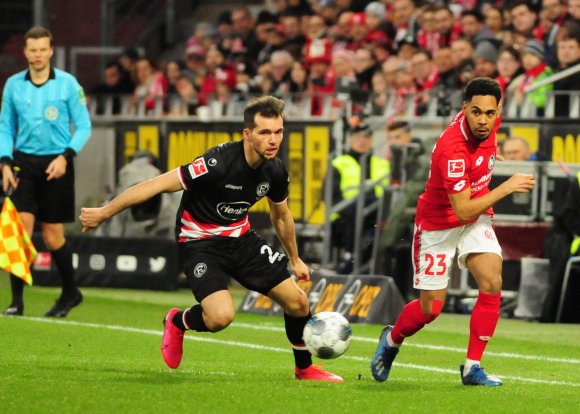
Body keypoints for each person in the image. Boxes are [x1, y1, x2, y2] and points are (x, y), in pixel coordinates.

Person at [79, 96, 343, 382]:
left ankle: (303, 370)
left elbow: (280, 216)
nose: (273, 140)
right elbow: (155, 185)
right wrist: (105, 212)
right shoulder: (217, 163)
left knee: (298, 303)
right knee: (220, 318)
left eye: (278, 131)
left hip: (240, 238)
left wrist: (295, 259)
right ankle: (177, 320)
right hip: (199, 242)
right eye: (265, 132)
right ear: (247, 134)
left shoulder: (275, 170)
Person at [370, 77, 536, 386]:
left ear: (498, 109)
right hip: (439, 223)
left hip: (476, 217)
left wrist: (486, 159)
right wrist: (507, 186)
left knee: (492, 280)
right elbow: (462, 210)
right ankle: (391, 340)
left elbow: (472, 205)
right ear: (464, 109)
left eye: (490, 112)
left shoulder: (489, 121)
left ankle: (472, 367)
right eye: (476, 113)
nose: (483, 120)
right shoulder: (452, 151)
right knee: (431, 309)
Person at [0, 26, 92, 317]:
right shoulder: (13, 85)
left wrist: (66, 156)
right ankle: (17, 301)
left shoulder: (67, 84)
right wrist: (4, 162)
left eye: (43, 49)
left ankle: (70, 292)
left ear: (51, 51)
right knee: (19, 230)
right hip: (22, 163)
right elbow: (5, 126)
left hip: (57, 164)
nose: (38, 55)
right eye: (32, 50)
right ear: (25, 52)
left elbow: (85, 126)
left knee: (53, 237)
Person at [326, 117, 390, 274]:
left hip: (377, 217)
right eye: (357, 136)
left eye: (366, 136)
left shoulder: (383, 164)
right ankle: (351, 260)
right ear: (349, 139)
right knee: (364, 210)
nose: (362, 141)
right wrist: (358, 209)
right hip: (347, 218)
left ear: (372, 139)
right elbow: (331, 198)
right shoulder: (338, 163)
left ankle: (352, 261)